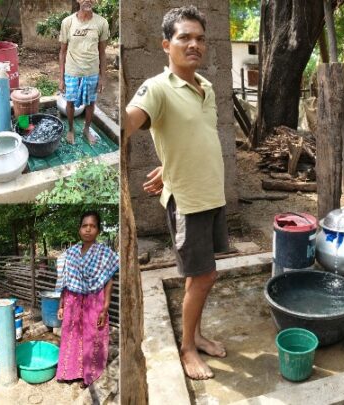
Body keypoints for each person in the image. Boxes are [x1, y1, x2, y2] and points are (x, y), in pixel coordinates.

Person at [123, 6, 228, 380]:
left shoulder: (207, 87)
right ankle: (187, 349)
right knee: (204, 277)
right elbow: (130, 119)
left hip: (212, 196)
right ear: (166, 44)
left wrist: (166, 166)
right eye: (184, 37)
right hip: (188, 202)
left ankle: (196, 335)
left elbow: (193, 139)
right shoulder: (156, 88)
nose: (194, 44)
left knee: (197, 275)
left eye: (200, 38)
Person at [55, 211, 118, 388]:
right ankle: (70, 372)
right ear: (79, 229)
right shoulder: (71, 253)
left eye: (93, 226)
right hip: (72, 300)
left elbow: (108, 282)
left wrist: (105, 308)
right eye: (85, 226)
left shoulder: (105, 254)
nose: (88, 229)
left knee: (93, 336)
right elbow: (65, 280)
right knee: (71, 334)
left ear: (98, 230)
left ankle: (89, 375)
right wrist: (61, 305)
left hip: (94, 300)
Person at [58, 0, 109, 145]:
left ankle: (87, 129)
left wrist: (102, 77)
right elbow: (62, 52)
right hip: (72, 71)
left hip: (92, 72)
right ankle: (71, 129)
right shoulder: (67, 22)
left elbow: (103, 53)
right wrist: (61, 79)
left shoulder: (102, 23)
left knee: (91, 103)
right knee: (70, 102)